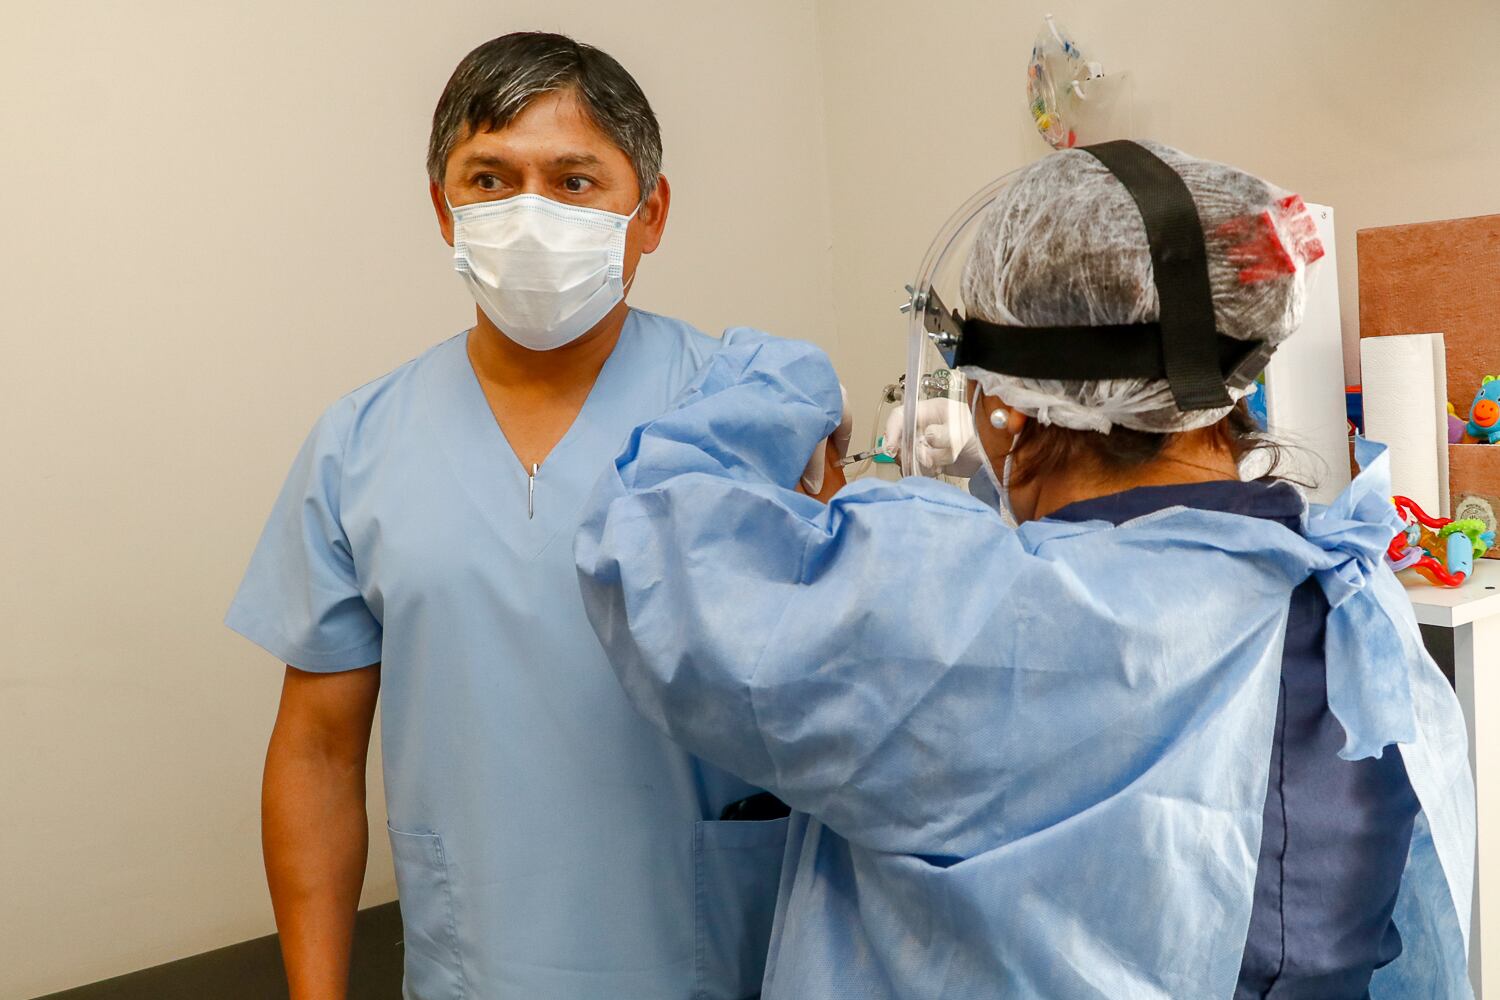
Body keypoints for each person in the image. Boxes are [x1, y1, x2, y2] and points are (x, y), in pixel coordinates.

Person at [575, 141, 1476, 998]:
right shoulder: (1354, 602)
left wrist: (777, 382)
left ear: (1005, 411)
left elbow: (655, 556)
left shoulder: (969, 619)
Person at [227, 32, 841, 999]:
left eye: (574, 179)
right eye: (490, 178)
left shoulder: (745, 412)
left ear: (650, 214)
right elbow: (317, 752)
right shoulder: (359, 444)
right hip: (476, 959)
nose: (530, 214)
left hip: (713, 953)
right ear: (444, 210)